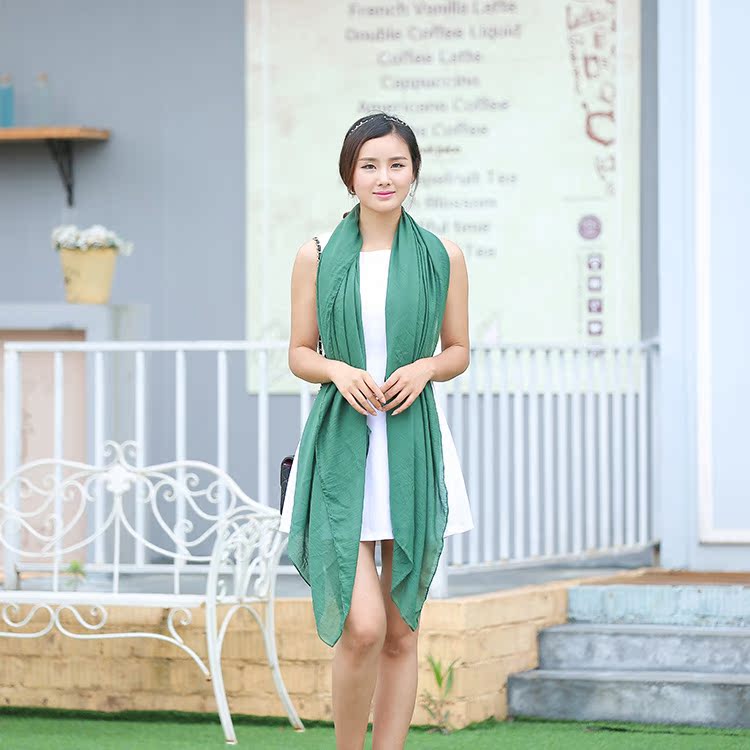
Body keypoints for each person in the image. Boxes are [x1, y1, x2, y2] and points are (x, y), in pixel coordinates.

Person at [283, 111, 474, 750]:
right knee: (362, 626)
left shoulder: (443, 255)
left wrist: (425, 367)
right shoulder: (315, 255)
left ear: (413, 172)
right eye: (369, 165)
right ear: (350, 175)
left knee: (400, 630)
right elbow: (299, 352)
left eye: (396, 164)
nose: (383, 177)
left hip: (411, 446)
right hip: (342, 445)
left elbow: (458, 350)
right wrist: (338, 370)